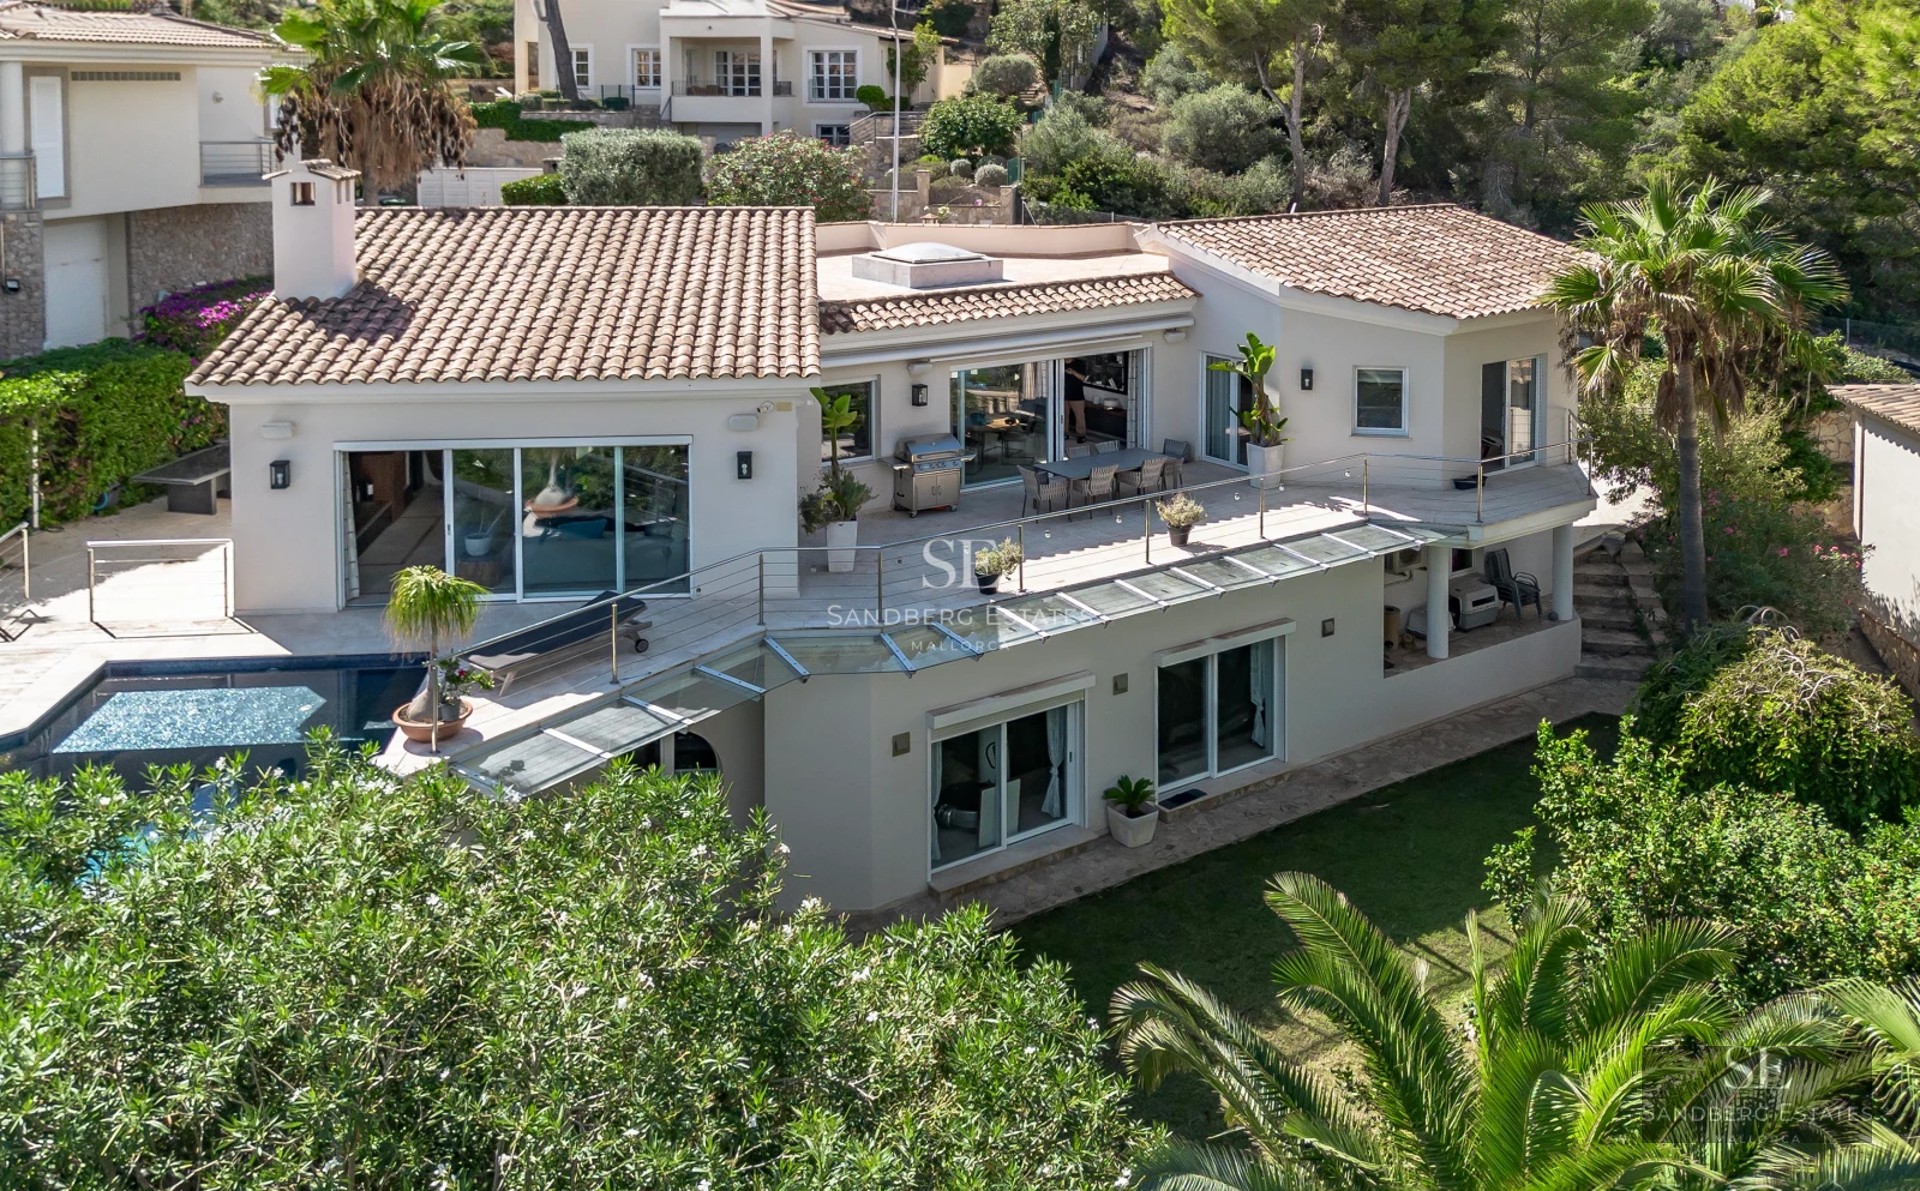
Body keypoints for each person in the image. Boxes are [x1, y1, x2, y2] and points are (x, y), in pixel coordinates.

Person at [1063, 360, 1089, 443]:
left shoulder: (1080, 363)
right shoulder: (1060, 363)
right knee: (1063, 415)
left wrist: (1073, 372)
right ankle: (1064, 433)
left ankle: (1081, 435)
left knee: (1079, 416)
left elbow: (1084, 378)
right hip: (1063, 395)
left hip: (1077, 395)